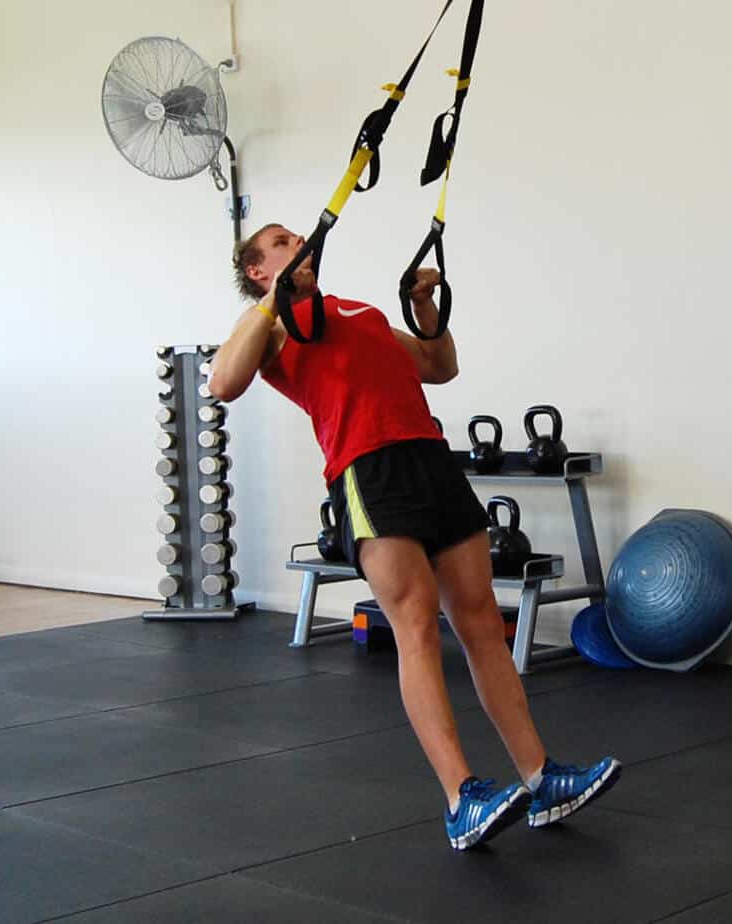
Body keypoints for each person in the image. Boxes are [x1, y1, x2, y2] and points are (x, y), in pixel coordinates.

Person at [211, 223, 621, 850]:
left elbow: (439, 366)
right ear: (259, 268)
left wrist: (425, 308)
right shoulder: (268, 328)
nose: (301, 242)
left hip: (431, 458)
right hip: (366, 471)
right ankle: (461, 797)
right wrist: (272, 300)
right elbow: (222, 383)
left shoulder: (360, 313)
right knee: (416, 623)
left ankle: (542, 780)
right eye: (284, 241)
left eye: (299, 235)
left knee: (483, 621)